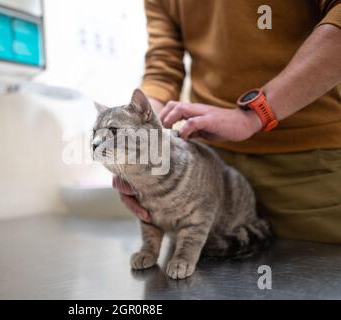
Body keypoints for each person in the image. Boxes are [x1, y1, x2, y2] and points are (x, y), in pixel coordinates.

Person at [113, 0, 341, 243]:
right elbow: (163, 67)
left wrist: (253, 115)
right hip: (208, 169)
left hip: (312, 169)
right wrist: (141, 145)